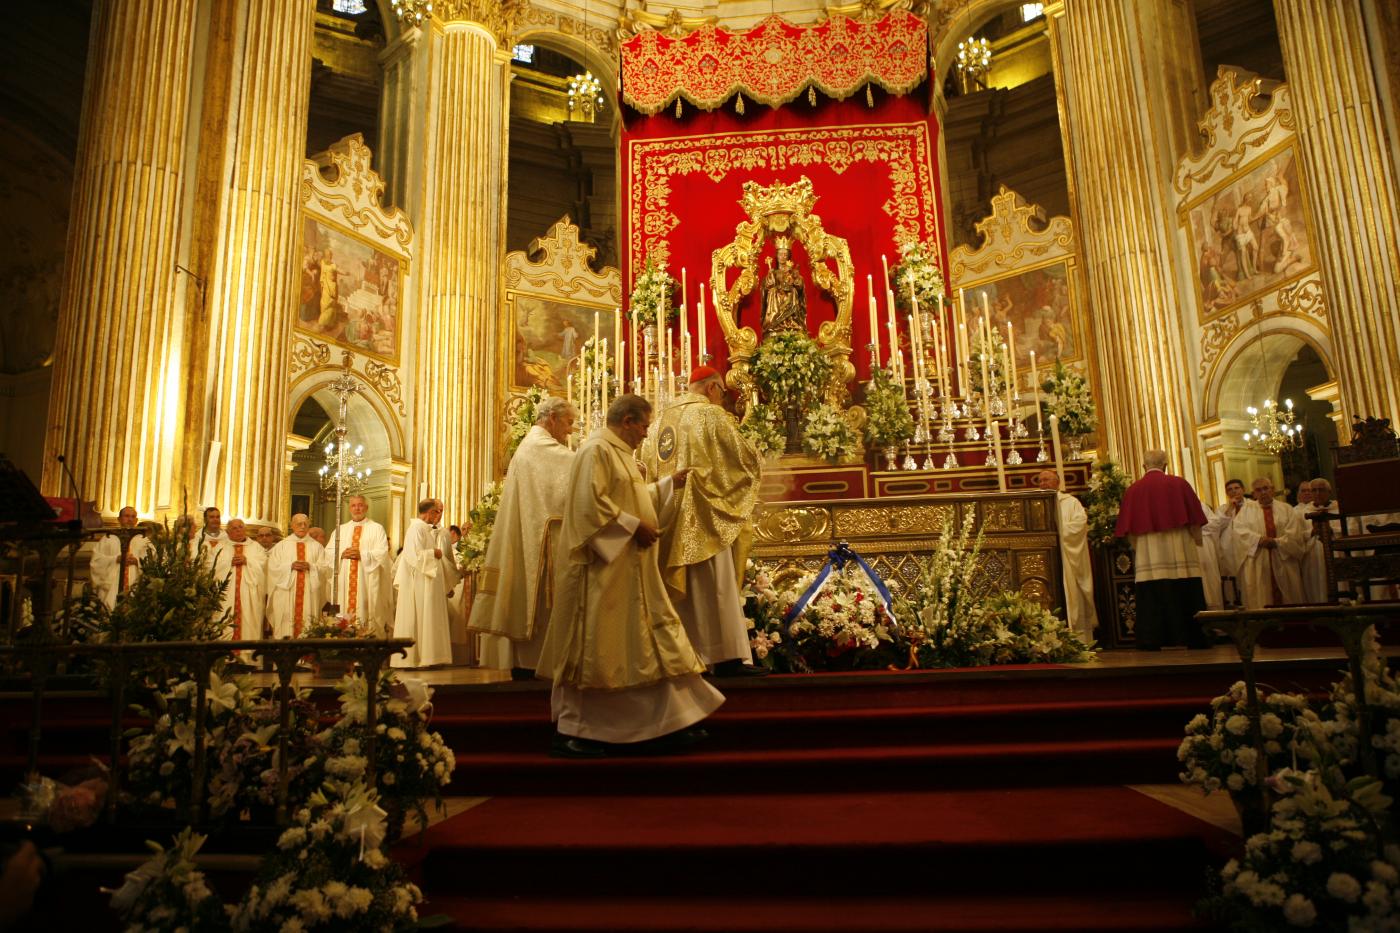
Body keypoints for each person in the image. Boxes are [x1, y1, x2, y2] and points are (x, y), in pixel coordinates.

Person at [536, 394, 723, 758]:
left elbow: (631, 498)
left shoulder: (620, 454)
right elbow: (588, 506)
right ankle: (575, 728)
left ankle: (665, 722)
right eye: (644, 426)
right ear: (626, 421)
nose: (646, 434)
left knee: (646, 649)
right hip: (603, 573)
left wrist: (668, 485)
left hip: (633, 568)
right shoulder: (596, 451)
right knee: (599, 651)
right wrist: (634, 527)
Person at [647, 366, 766, 675]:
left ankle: (686, 658)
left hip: (667, 515)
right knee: (716, 588)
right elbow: (743, 460)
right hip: (706, 518)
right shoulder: (711, 416)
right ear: (713, 388)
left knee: (684, 596)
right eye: (722, 393)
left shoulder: (660, 421)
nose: (722, 400)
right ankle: (725, 659)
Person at [472, 397, 577, 679]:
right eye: (568, 423)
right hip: (540, 543)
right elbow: (577, 472)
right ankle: (537, 669)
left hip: (532, 534)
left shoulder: (530, 445)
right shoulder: (539, 445)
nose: (570, 431)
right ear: (552, 418)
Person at [1114, 450, 1210, 650]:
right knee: (1185, 590)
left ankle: (1152, 639)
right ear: (1165, 465)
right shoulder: (1180, 484)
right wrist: (1196, 540)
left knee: (1152, 594)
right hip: (1180, 549)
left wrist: (1137, 544)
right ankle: (1192, 637)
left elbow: (1129, 531)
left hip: (1149, 553)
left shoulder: (1133, 490)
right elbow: (1195, 520)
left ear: (1144, 466)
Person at [1033, 470, 1096, 642]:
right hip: (1043, 559)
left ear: (1057, 482)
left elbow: (1079, 525)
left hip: (1067, 555)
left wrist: (1056, 533)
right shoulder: (1035, 503)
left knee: (1072, 591)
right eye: (1040, 481)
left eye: (1047, 480)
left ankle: (1078, 637)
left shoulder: (1071, 503)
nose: (1043, 484)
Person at [392, 499, 454, 668]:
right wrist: (434, 552)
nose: (438, 515)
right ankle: (418, 658)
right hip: (419, 583)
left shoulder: (423, 529)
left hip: (426, 581)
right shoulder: (417, 528)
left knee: (426, 618)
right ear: (429, 512)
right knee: (420, 617)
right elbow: (413, 556)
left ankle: (427, 657)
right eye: (436, 511)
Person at [1231, 477, 1308, 608]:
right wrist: (1258, 539)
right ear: (1254, 494)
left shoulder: (1286, 509)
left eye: (1266, 488)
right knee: (1260, 597)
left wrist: (1277, 542)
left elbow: (1295, 534)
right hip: (1258, 560)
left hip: (1283, 558)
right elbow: (1238, 532)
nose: (1263, 492)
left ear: (1272, 490)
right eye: (1258, 490)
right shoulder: (1246, 511)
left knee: (1289, 596)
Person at [325, 495, 391, 633]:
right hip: (345, 580)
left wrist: (362, 554)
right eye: (353, 505)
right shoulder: (340, 529)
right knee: (343, 611)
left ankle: (368, 640)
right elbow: (328, 553)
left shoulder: (376, 528)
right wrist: (342, 553)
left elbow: (382, 552)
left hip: (366, 580)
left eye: (360, 505)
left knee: (366, 612)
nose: (357, 508)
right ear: (349, 508)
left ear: (366, 507)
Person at [267, 514, 327, 638]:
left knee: (308, 624)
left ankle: (307, 657)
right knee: (286, 625)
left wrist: (310, 566)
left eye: (305, 524)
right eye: (299, 524)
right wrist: (290, 566)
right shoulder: (281, 546)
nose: (302, 526)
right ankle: (284, 656)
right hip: (286, 593)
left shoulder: (317, 547)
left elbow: (325, 568)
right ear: (292, 526)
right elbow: (272, 569)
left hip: (309, 594)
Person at [210, 518, 267, 641]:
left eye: (241, 527)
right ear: (228, 532)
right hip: (226, 595)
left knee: (249, 624)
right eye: (234, 528)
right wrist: (228, 563)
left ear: (245, 529)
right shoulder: (220, 547)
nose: (238, 530)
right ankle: (225, 658)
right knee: (225, 624)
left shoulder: (256, 547)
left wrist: (248, 561)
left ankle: (248, 657)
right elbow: (211, 567)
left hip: (249, 595)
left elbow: (265, 567)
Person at [90, 505, 148, 609]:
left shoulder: (143, 540)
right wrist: (115, 559)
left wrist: (137, 561)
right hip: (112, 585)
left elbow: (154, 562)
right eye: (126, 516)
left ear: (136, 520)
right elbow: (96, 561)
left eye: (133, 516)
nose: (130, 519)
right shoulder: (108, 538)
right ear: (119, 519)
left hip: (135, 584)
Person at [1300, 477, 1342, 603]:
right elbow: (1296, 535)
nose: (1317, 493)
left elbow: (1351, 528)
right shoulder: (1302, 512)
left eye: (1321, 490)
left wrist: (1331, 530)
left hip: (1336, 553)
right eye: (1314, 490)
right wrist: (1312, 532)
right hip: (1313, 556)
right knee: (1317, 587)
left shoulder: (1339, 509)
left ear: (1329, 492)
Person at [760, 237, 806, 338]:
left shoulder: (793, 271)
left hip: (790, 296)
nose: (783, 257)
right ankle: (774, 323)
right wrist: (769, 277)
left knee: (793, 291)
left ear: (788, 257)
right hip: (775, 298)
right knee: (772, 291)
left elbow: (799, 285)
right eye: (780, 254)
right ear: (776, 256)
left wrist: (794, 277)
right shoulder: (773, 272)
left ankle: (791, 322)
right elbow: (767, 286)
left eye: (785, 254)